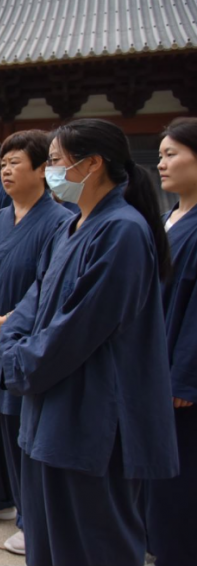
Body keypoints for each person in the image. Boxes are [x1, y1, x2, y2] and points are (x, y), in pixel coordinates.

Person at [0, 119, 178, 566]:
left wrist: (19, 360)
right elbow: (31, 302)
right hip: (48, 410)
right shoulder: (72, 226)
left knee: (94, 544)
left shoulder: (123, 231)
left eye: (56, 161)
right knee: (47, 539)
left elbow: (78, 328)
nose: (51, 171)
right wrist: (13, 342)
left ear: (92, 163)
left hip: (92, 417)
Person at [0, 131, 71, 557]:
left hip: (18, 340)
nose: (4, 169)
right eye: (2, 162)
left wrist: (10, 323)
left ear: (43, 169)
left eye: (15, 162)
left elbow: (49, 287)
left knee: (18, 430)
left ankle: (30, 517)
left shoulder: (60, 222)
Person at [147, 117, 197, 566]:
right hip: (152, 363)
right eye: (160, 154)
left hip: (178, 377)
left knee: (179, 473)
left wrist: (184, 376)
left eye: (171, 154)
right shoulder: (169, 216)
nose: (161, 163)